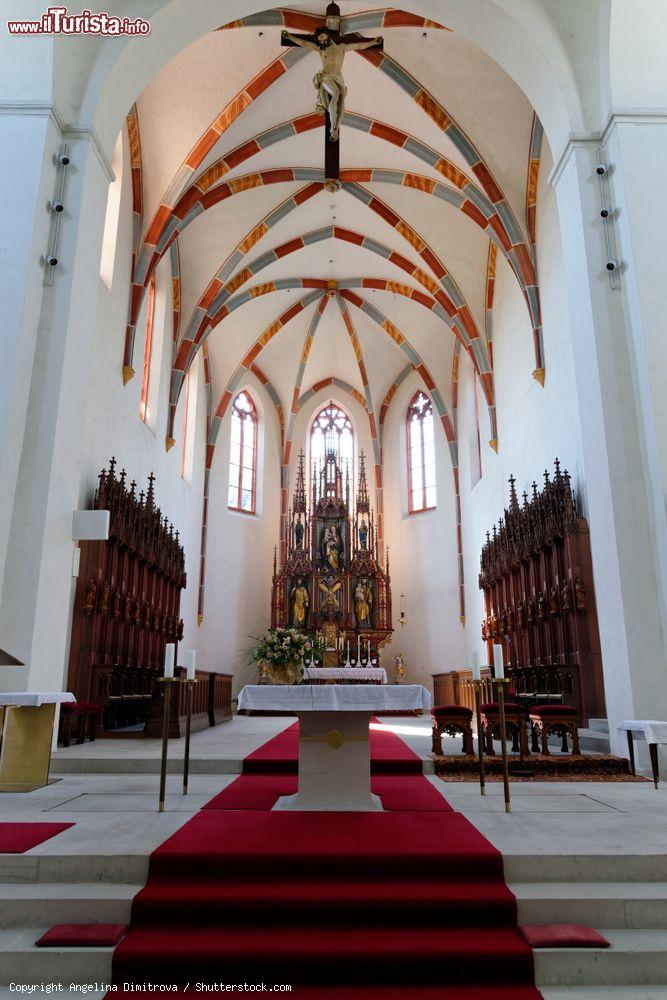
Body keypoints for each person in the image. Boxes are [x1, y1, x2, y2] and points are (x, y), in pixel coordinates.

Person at [282, 28, 382, 140]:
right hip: (326, 75)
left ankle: (335, 128)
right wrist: (290, 37)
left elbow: (358, 46)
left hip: (338, 77)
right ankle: (333, 125)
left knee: (342, 98)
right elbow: (304, 43)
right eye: (318, 37)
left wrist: (373, 42)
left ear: (327, 35)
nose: (319, 39)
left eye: (321, 36)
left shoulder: (342, 47)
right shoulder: (321, 49)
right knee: (336, 92)